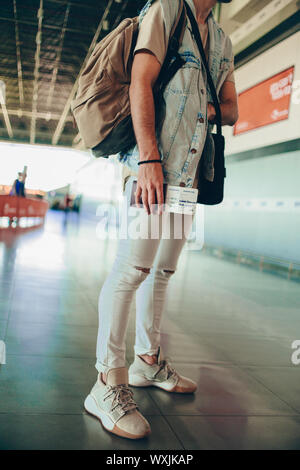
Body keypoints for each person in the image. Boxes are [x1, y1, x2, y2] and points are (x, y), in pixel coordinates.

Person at [84, 0, 238, 440]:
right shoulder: (167, 11)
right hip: (152, 167)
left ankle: (146, 362)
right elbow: (141, 82)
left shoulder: (223, 40)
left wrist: (201, 108)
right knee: (131, 270)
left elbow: (230, 109)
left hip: (189, 177)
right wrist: (150, 157)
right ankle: (105, 384)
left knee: (163, 271)